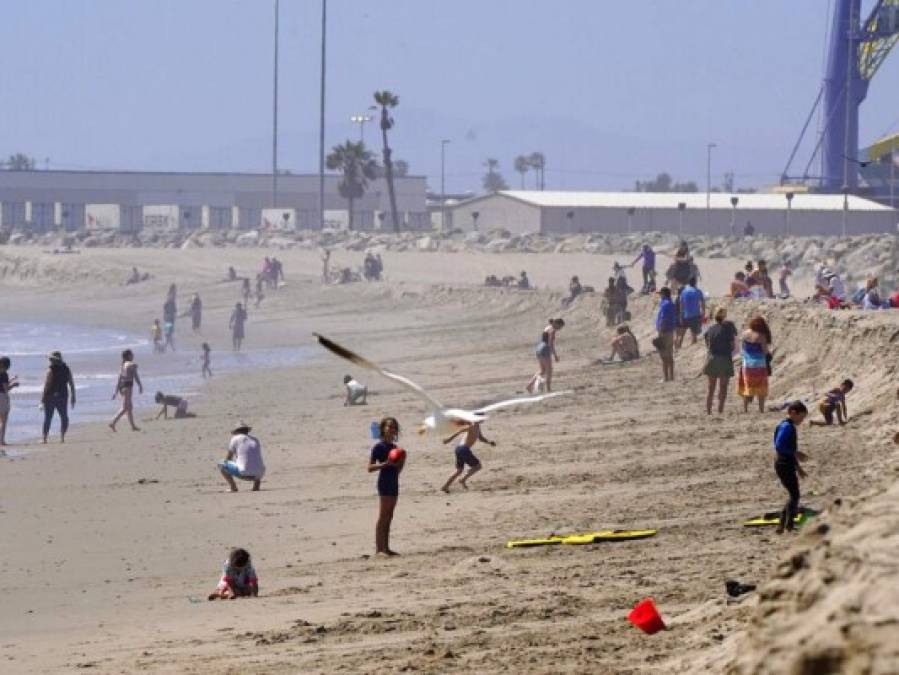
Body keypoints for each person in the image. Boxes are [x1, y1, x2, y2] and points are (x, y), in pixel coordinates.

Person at [367, 417, 404, 556]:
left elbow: (398, 468)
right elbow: (369, 467)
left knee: (390, 516)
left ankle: (386, 548)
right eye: (389, 426)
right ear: (383, 428)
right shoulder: (379, 447)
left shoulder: (395, 448)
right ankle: (379, 549)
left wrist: (401, 461)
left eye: (394, 427)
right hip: (384, 482)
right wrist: (385, 464)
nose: (392, 429)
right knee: (383, 516)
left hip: (394, 481)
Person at [773, 401, 809, 534]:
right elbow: (779, 446)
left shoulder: (787, 425)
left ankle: (783, 525)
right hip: (783, 464)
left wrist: (799, 468)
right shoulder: (787, 427)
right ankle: (787, 524)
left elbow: (788, 449)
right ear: (793, 413)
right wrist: (796, 453)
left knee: (793, 495)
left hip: (785, 463)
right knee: (795, 495)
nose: (802, 420)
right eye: (801, 417)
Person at [703, 307, 738, 415]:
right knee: (723, 387)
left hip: (712, 359)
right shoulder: (728, 329)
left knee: (710, 388)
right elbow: (732, 346)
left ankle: (708, 411)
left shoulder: (710, 329)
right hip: (724, 359)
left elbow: (707, 345)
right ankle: (720, 410)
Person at [441, 421, 494, 493]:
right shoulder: (472, 425)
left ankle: (445, 486)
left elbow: (481, 438)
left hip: (459, 449)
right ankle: (462, 480)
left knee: (459, 470)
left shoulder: (477, 426)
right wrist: (449, 439)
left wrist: (489, 442)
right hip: (463, 449)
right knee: (478, 466)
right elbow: (460, 431)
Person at [737, 316, 772, 413]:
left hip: (747, 364)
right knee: (761, 388)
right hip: (759, 365)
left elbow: (742, 349)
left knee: (746, 386)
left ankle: (745, 409)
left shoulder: (745, 334)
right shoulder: (761, 336)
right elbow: (765, 351)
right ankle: (761, 409)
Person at [219, 423, 265, 492]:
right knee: (255, 462)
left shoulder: (235, 438)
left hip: (244, 473)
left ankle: (233, 487)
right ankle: (256, 486)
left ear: (236, 431)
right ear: (247, 431)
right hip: (260, 474)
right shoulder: (255, 439)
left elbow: (228, 458)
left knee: (221, 464)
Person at [41, 351, 75, 444]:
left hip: (50, 397)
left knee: (48, 418)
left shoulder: (50, 370)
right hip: (63, 396)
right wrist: (73, 396)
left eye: (50, 359)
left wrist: (42, 399)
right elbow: (71, 384)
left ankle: (45, 438)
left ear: (52, 360)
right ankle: (62, 437)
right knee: (64, 417)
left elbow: (47, 385)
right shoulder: (66, 369)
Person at [527, 318, 564, 393]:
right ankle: (548, 389)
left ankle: (530, 385)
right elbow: (550, 344)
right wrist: (555, 355)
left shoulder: (547, 327)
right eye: (560, 327)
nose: (560, 329)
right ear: (557, 324)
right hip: (545, 349)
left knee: (542, 370)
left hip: (539, 348)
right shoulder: (552, 330)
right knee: (549, 371)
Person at [110, 349, 143, 432]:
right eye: (132, 354)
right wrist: (140, 385)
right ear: (129, 356)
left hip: (122, 387)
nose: (133, 356)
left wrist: (116, 392)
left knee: (129, 408)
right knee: (125, 408)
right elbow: (136, 376)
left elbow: (119, 379)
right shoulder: (130, 365)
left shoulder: (122, 365)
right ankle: (113, 422)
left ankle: (133, 426)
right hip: (128, 387)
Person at [654, 287, 677, 382]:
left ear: (664, 294)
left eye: (660, 294)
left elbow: (663, 319)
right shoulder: (671, 303)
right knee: (669, 354)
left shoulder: (665, 304)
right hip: (670, 331)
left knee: (664, 355)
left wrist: (661, 331)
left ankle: (665, 377)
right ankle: (671, 376)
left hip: (664, 331)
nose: (660, 296)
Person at [676, 276, 706, 348]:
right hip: (695, 315)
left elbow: (681, 305)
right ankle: (692, 349)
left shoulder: (684, 291)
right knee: (694, 334)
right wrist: (703, 313)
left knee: (681, 334)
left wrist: (680, 316)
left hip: (686, 315)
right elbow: (702, 302)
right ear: (695, 282)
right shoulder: (698, 291)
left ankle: (678, 348)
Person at [0, 356, 20, 447]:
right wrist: (14, 385)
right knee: (3, 421)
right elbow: (5, 388)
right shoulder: (4, 374)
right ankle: (1, 441)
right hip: (2, 398)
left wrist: (12, 379)